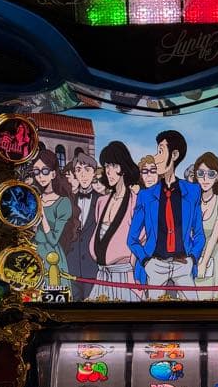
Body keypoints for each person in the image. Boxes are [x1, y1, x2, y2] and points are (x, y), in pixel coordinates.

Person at [127, 129, 204, 298]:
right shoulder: (146, 196)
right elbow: (132, 238)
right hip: (155, 265)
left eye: (161, 151)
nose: (156, 158)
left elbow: (199, 234)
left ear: (174, 155)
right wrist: (146, 261)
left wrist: (192, 259)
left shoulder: (192, 191)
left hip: (183, 264)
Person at [88, 140, 140, 301]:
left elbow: (141, 240)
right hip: (101, 276)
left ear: (123, 167)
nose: (109, 171)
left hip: (125, 277)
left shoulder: (135, 202)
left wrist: (133, 267)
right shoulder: (101, 202)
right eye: (106, 166)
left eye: (113, 165)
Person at [29, 148, 78, 280]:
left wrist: (42, 215)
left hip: (52, 258)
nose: (40, 176)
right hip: (31, 255)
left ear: (53, 174)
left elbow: (53, 239)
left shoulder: (63, 202)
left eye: (45, 171)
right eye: (36, 171)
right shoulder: (33, 197)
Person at [65, 152, 101, 300]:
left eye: (87, 169)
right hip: (70, 265)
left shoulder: (102, 201)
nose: (83, 174)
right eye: (79, 170)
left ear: (94, 173)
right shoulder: (67, 201)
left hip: (92, 266)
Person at [193, 152, 218, 300]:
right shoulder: (191, 201)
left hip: (211, 257)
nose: (205, 178)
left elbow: (214, 237)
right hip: (192, 257)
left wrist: (203, 262)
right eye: (201, 173)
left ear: (217, 177)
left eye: (211, 174)